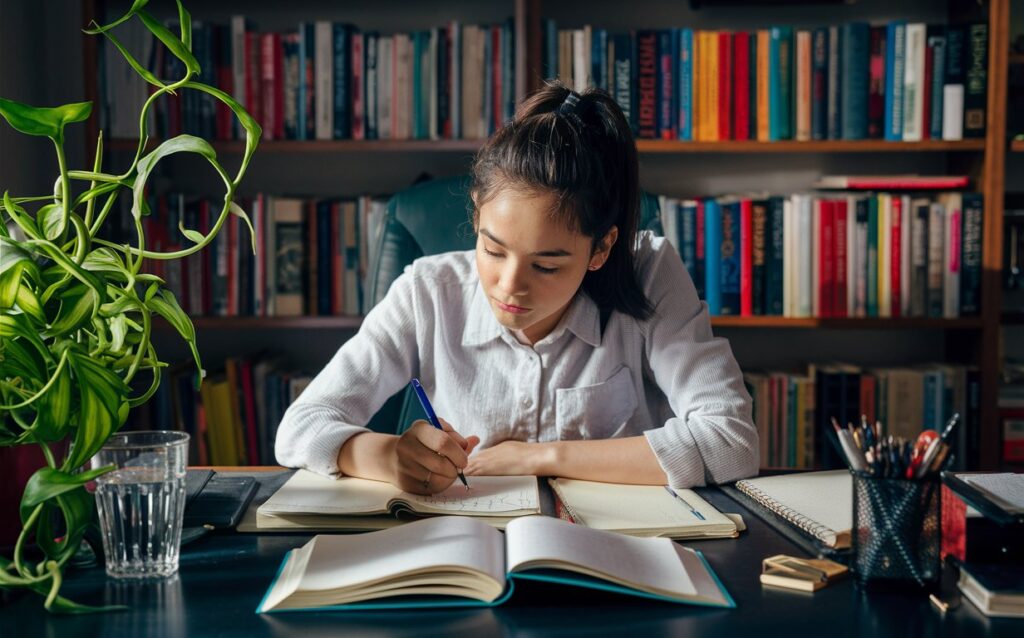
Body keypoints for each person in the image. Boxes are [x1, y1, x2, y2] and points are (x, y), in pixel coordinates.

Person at [275, 81, 758, 494]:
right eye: (493, 249)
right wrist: (383, 456)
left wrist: (543, 457)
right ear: (477, 211)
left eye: (546, 266)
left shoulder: (648, 270)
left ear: (601, 249)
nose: (509, 286)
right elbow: (300, 428)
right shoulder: (428, 291)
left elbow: (732, 441)